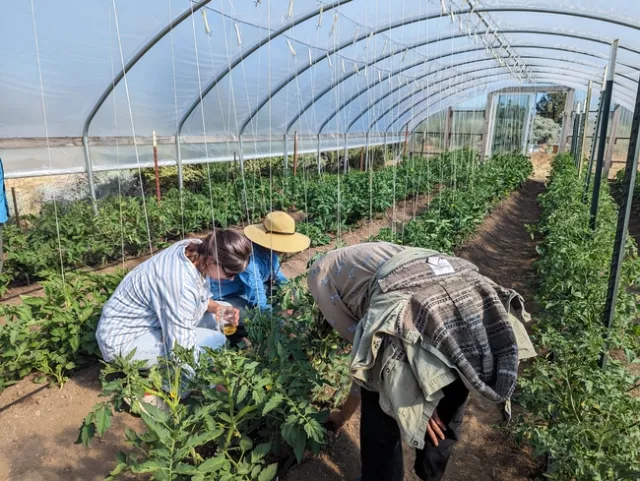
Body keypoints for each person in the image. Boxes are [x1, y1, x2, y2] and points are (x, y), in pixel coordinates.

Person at [307, 242, 536, 481]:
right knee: (447, 405)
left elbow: (365, 357)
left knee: (382, 416)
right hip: (459, 288)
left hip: (410, 304)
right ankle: (430, 473)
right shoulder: (359, 254)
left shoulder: (318, 277)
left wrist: (416, 397)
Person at [96, 229, 253, 368]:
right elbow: (181, 350)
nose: (232, 279)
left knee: (224, 310)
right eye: (230, 273)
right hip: (126, 341)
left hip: (156, 321)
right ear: (212, 261)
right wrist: (215, 382)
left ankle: (231, 346)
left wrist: (216, 308)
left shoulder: (199, 248)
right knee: (215, 341)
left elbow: (199, 296)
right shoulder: (179, 285)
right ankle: (170, 386)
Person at [210, 211, 310, 329]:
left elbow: (280, 279)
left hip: (245, 290)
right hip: (226, 297)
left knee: (279, 291)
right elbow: (258, 300)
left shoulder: (269, 251)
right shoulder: (249, 259)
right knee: (248, 316)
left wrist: (294, 295)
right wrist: (281, 324)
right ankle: (239, 335)